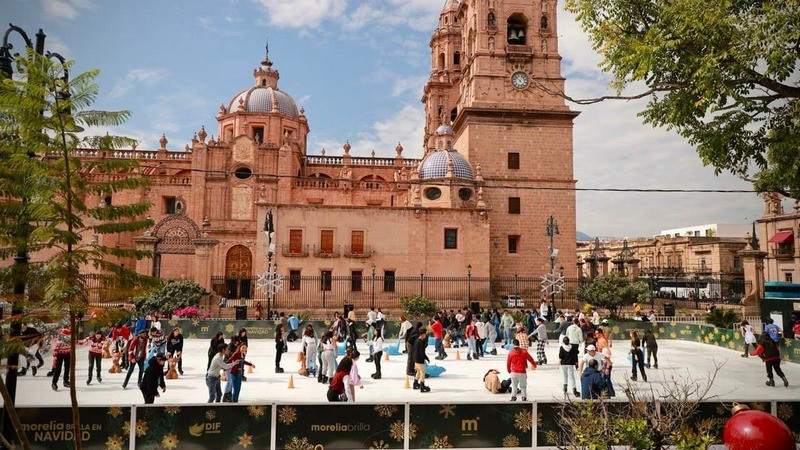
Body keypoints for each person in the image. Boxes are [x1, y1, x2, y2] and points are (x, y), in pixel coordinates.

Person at [50, 327, 72, 391]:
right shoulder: (59, 341)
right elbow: (55, 349)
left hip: (67, 354)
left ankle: (66, 381)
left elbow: (76, 342)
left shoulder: (70, 340)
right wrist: (55, 357)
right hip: (60, 354)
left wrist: (83, 342)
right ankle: (54, 383)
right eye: (68, 335)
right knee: (58, 369)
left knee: (67, 368)